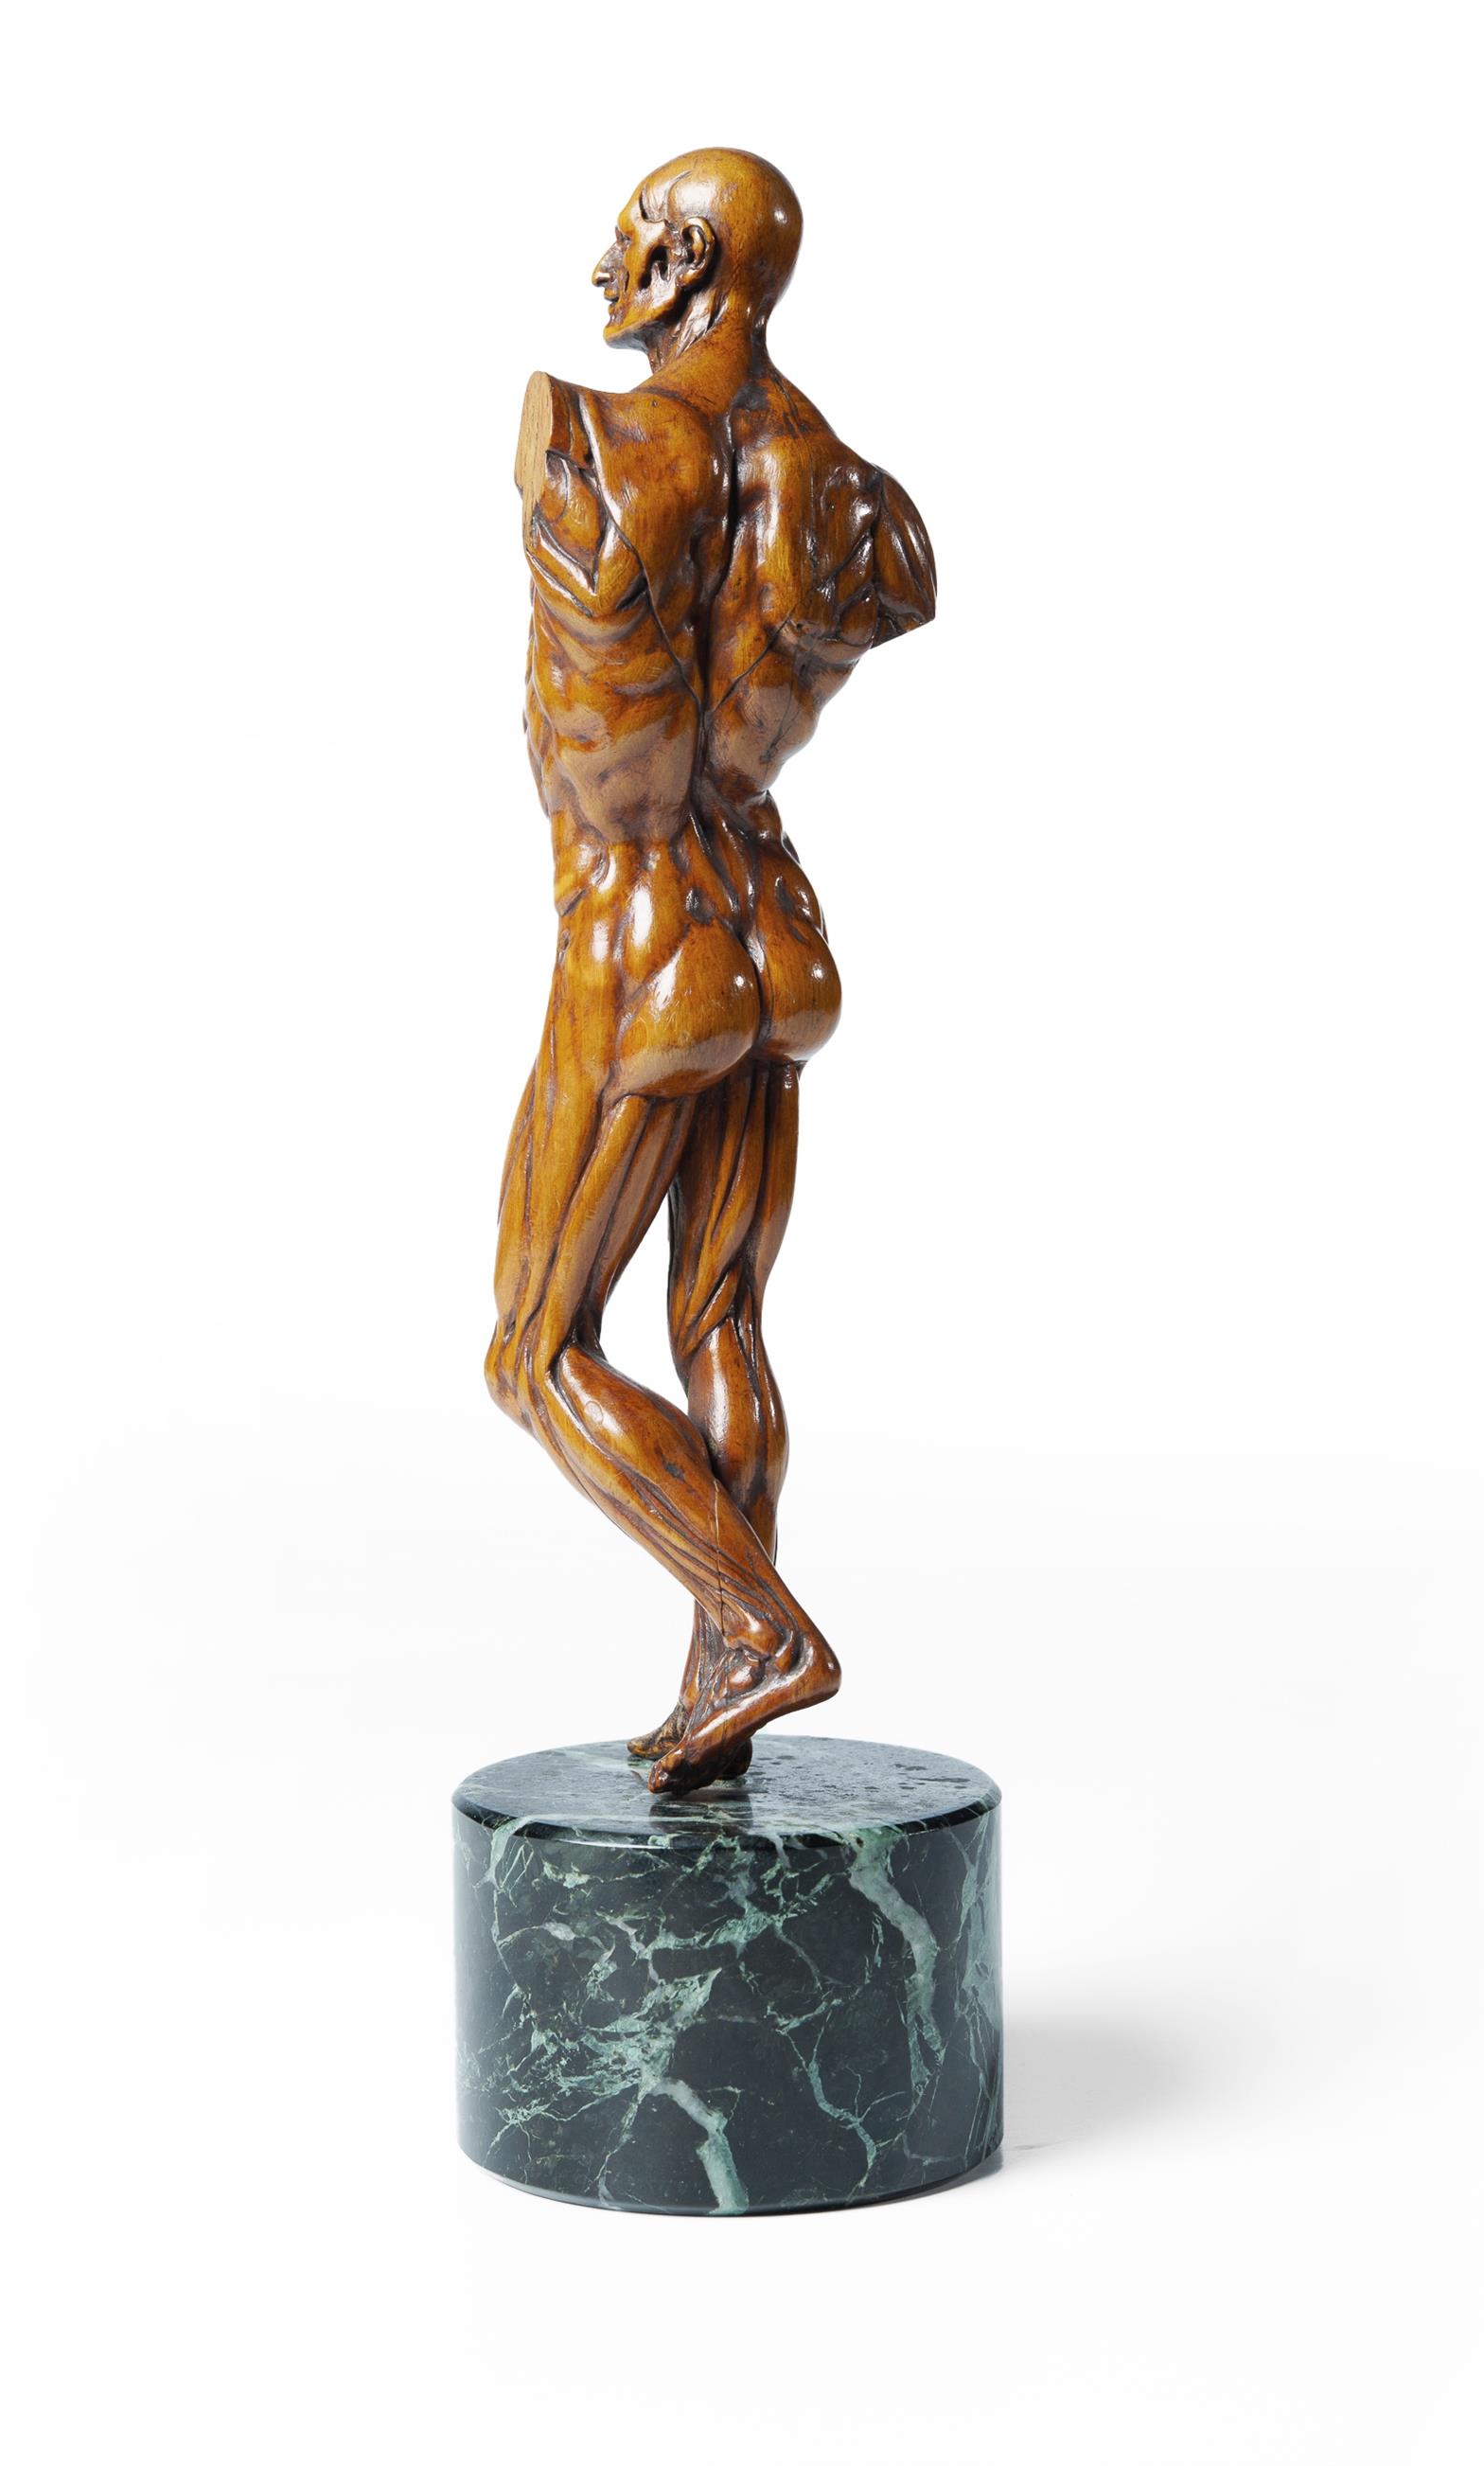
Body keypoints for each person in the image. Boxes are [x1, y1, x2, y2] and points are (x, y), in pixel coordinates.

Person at [486, 150, 936, 1792]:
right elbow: (752, 726)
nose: (604, 273)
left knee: (535, 1348)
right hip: (776, 919)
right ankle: (718, 1697)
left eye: (627, 242)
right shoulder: (855, 494)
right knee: (724, 1320)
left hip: (648, 928)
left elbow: (621, 777)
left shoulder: (602, 452)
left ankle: (757, 1626)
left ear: (686, 262)